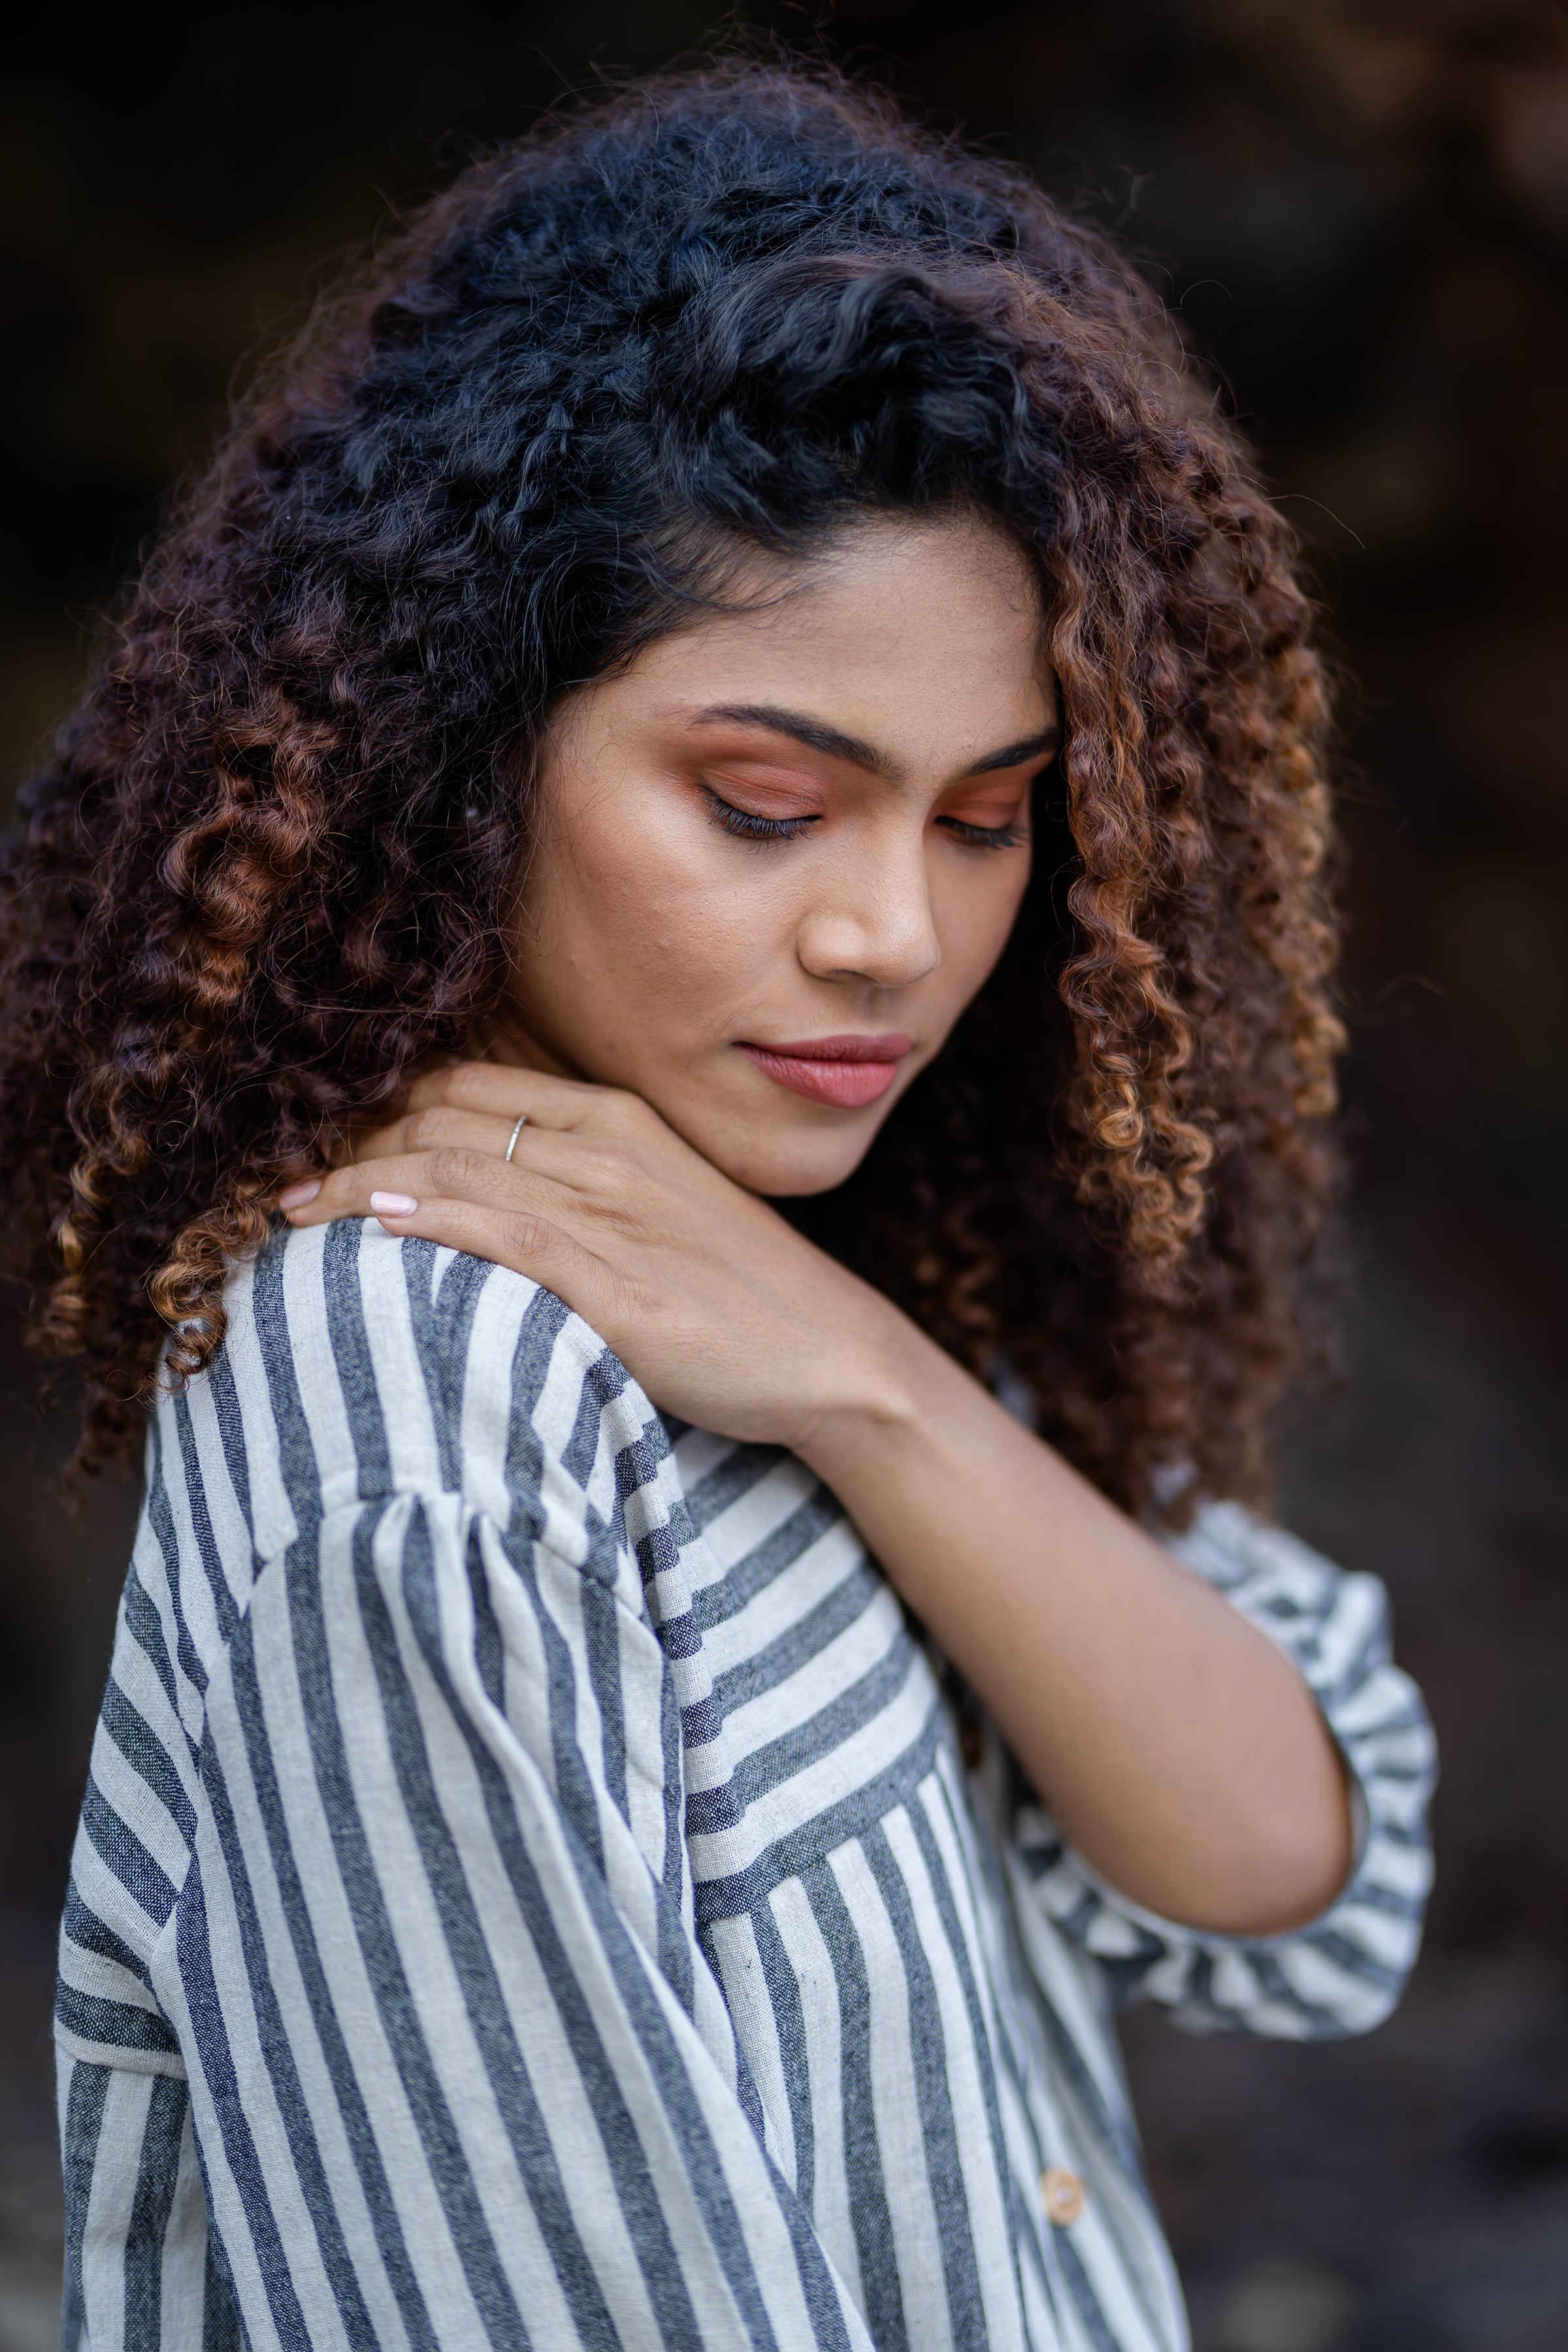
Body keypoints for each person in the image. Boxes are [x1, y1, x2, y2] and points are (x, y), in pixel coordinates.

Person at [5, 63, 1435, 2352]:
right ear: (461, 751)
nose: (897, 934)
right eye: (768, 802)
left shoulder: (790, 1256)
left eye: (990, 818)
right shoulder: (416, 1403)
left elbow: (1291, 1870)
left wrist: (873, 1389)